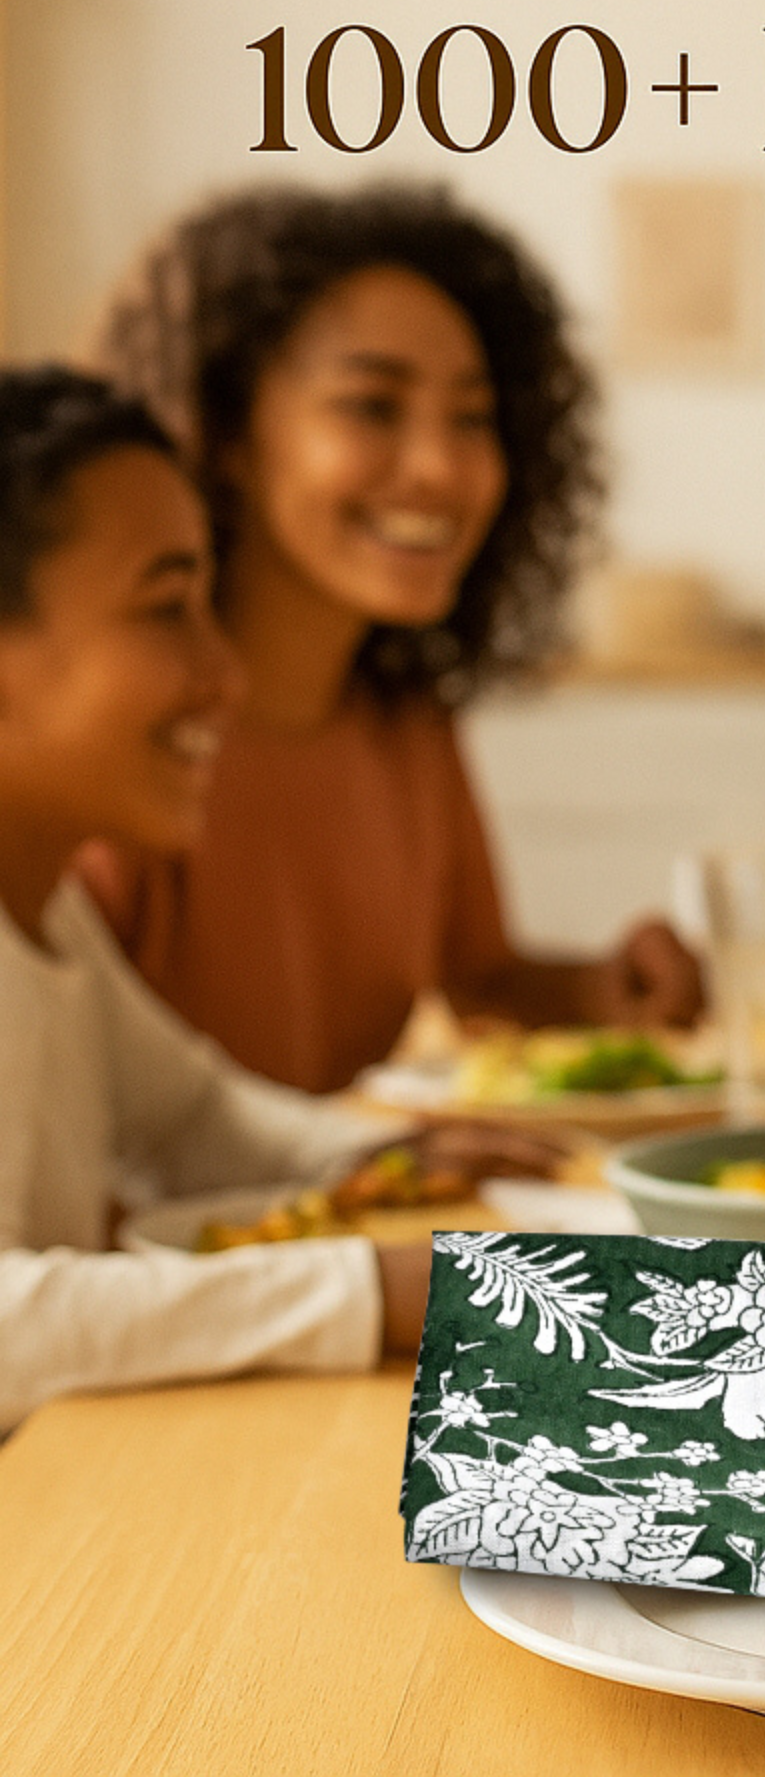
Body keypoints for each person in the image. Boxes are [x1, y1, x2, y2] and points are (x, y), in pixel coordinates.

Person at [0, 367, 546, 1433]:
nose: (224, 671)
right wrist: (366, 1291)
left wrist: (374, 1155)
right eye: (167, 609)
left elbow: (188, 1115)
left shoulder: (42, 899)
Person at [77, 184, 704, 1092]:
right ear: (224, 435)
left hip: (324, 1220)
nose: (442, 468)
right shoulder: (122, 735)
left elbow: (479, 980)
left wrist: (605, 987)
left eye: (473, 418)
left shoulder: (405, 724)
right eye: (372, 406)